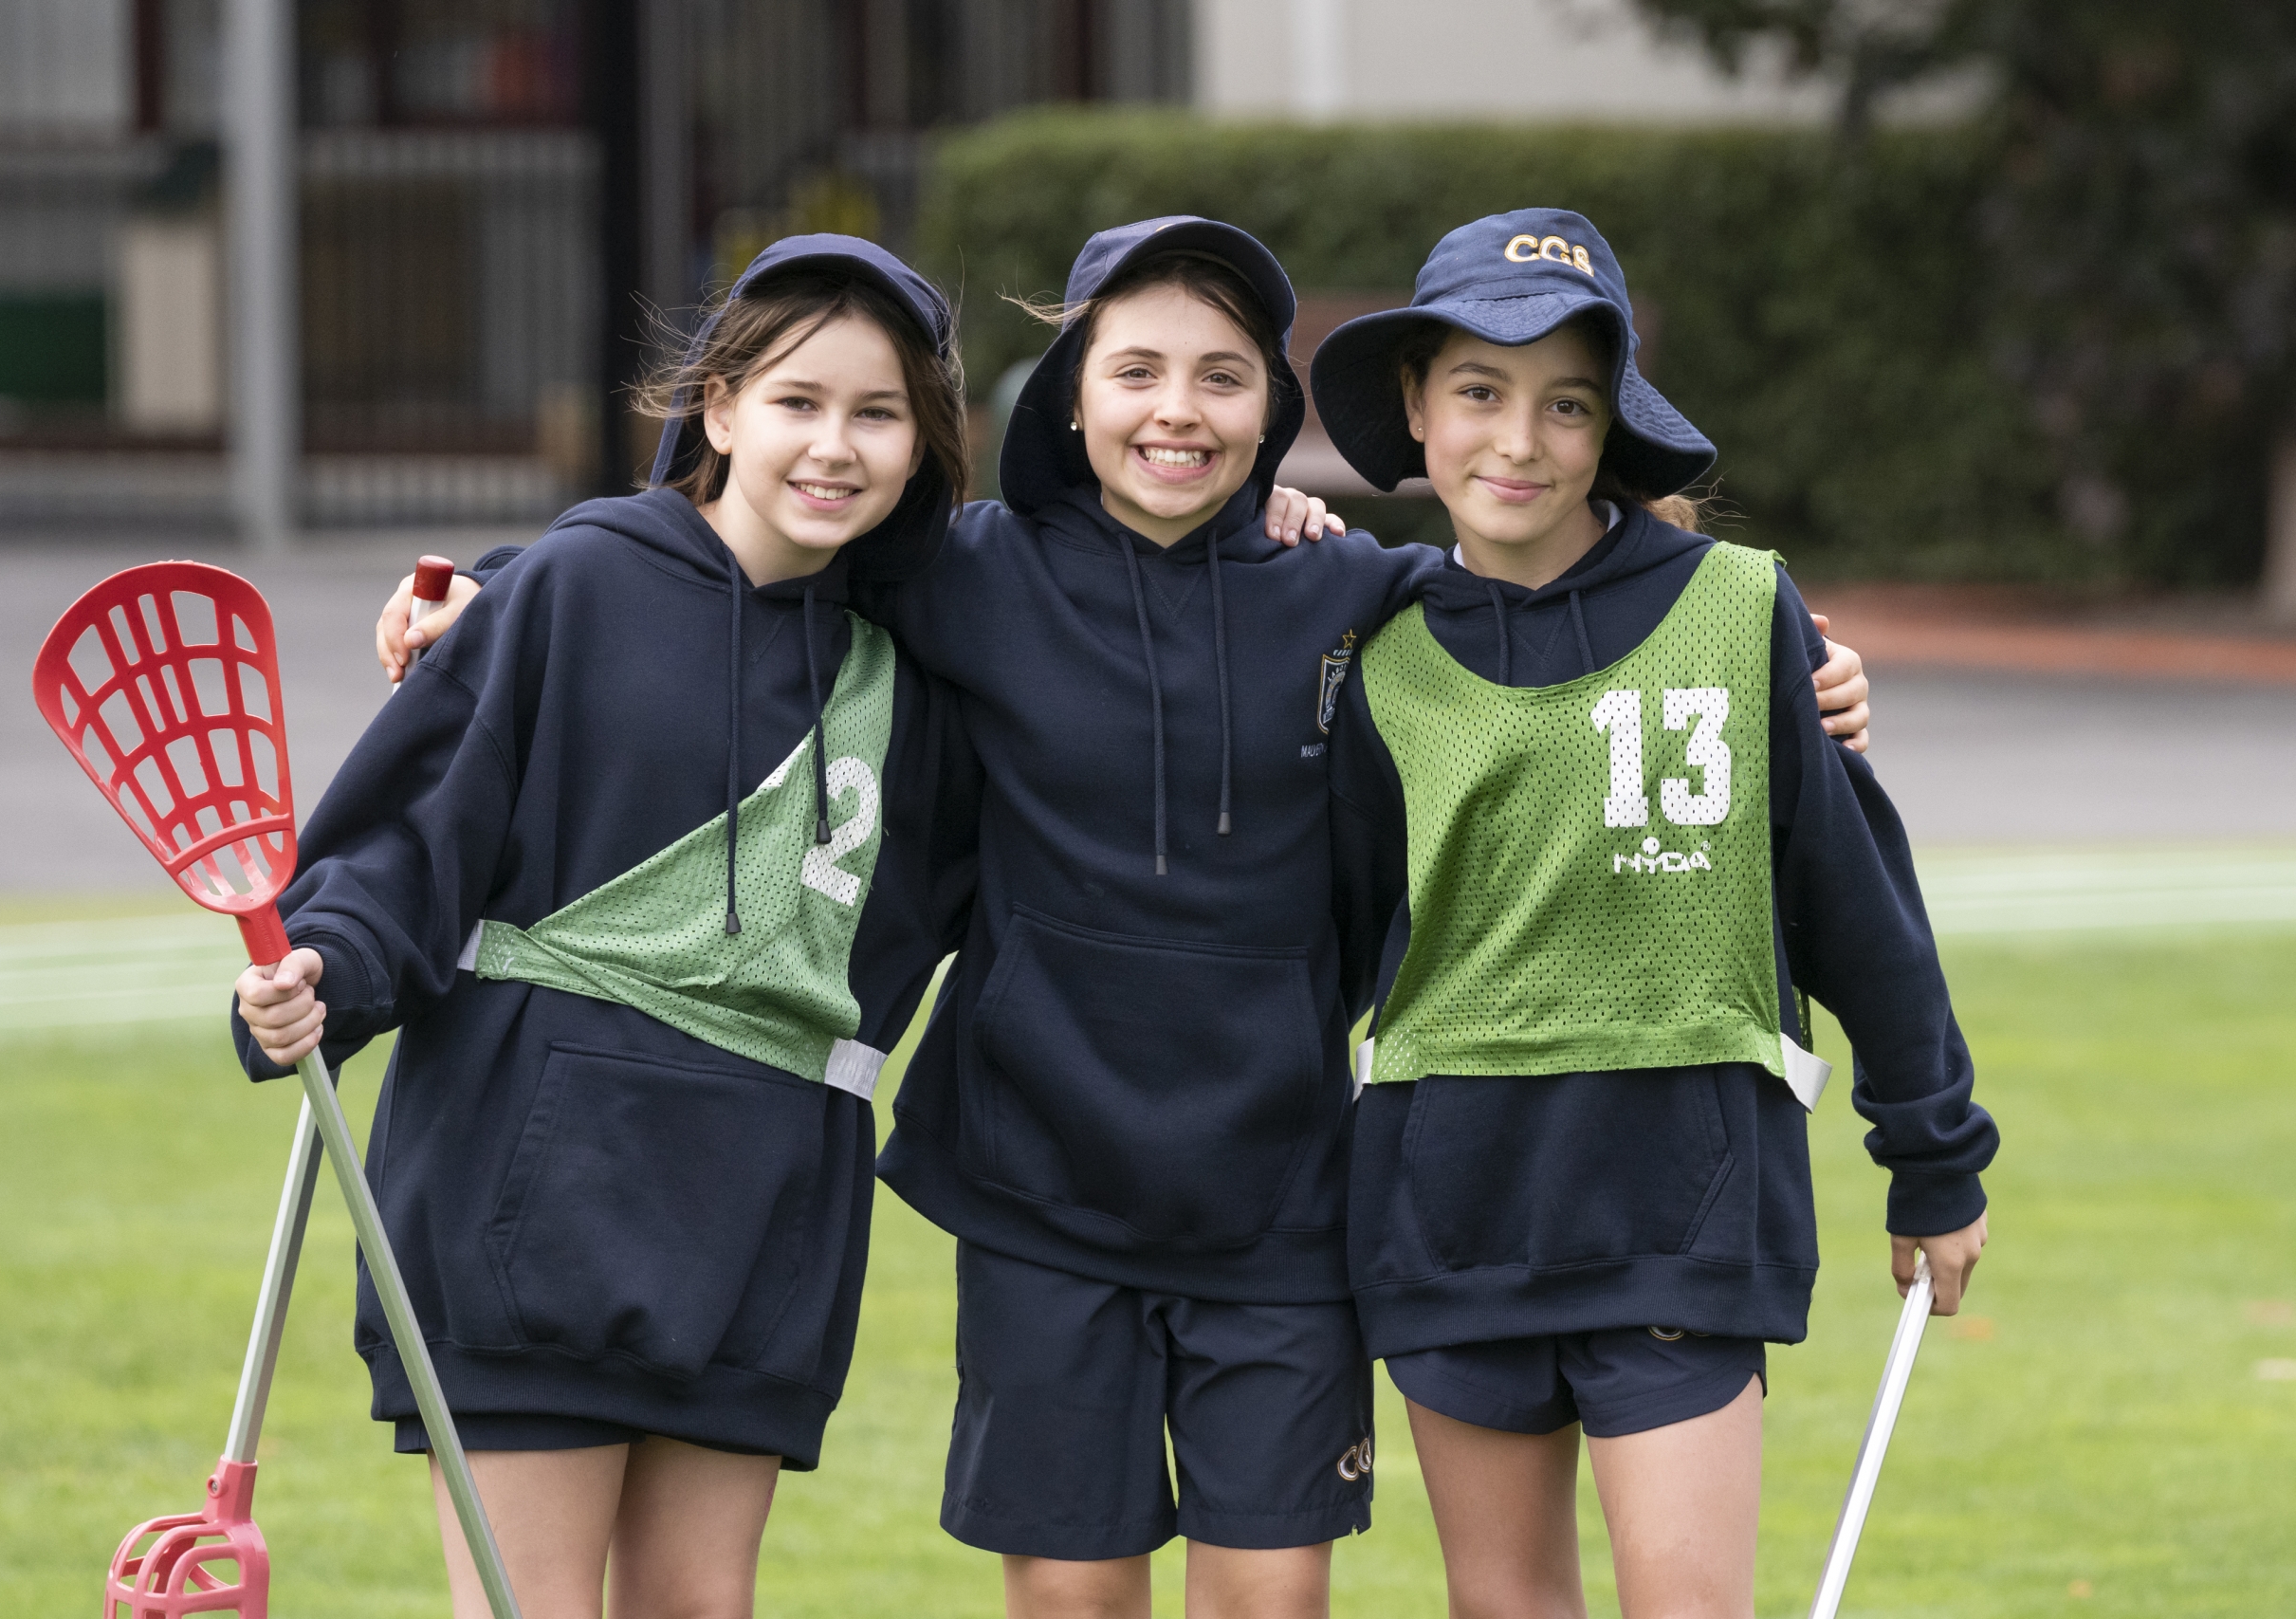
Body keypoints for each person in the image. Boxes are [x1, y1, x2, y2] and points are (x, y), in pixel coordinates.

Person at [377, 216, 1875, 1619]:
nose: (1181, 410)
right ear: (1072, 397)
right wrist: (490, 594)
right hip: (1037, 1195)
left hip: (1286, 1203)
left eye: (1224, 378)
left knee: (1271, 1598)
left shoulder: (1358, 591)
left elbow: (1559, 593)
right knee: (1074, 1597)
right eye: (1139, 370)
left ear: (1271, 415)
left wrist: (1796, 666)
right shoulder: (964, 571)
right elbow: (738, 553)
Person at [230, 236, 983, 1619]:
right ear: (718, 411)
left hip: (766, 1199)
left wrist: (1284, 536)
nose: (835, 445)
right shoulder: (568, 588)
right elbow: (414, 832)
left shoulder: (919, 674)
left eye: (879, 414)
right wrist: (322, 971)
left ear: (925, 445)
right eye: (798, 401)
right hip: (535, 1181)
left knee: (702, 1606)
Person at [1313, 208, 1997, 1619]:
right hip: (1456, 1207)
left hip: (1685, 1202)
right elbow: (1326, 949)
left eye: (1566, 404)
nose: (1520, 440)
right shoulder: (1368, 649)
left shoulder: (1744, 613)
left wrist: (1934, 1155)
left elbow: (1856, 902)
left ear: (1610, 425)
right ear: (1415, 409)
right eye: (1480, 394)